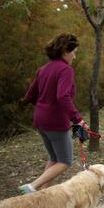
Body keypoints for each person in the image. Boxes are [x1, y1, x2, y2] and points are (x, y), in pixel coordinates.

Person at [19, 33, 88, 194]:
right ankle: (32, 187)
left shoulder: (43, 69)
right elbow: (62, 96)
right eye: (74, 52)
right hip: (55, 122)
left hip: (40, 120)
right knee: (65, 161)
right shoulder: (66, 70)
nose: (75, 56)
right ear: (65, 51)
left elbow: (30, 96)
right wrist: (78, 119)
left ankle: (41, 195)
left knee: (54, 158)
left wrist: (44, 107)